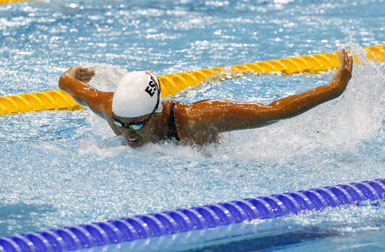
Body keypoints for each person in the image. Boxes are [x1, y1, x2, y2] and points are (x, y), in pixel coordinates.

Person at [59, 49, 353, 148]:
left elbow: (272, 111)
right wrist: (72, 74)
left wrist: (334, 89)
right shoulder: (114, 111)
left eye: (135, 126)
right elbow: (67, 85)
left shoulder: (198, 120)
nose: (126, 135)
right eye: (122, 125)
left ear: (156, 112)